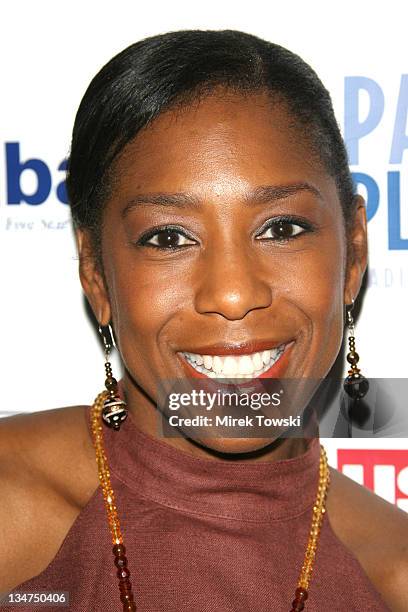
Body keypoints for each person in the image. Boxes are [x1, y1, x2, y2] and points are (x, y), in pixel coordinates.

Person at [0, 29, 407, 612]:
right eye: (169, 237)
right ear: (96, 276)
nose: (235, 294)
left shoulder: (393, 577)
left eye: (281, 228)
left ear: (355, 253)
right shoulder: (11, 505)